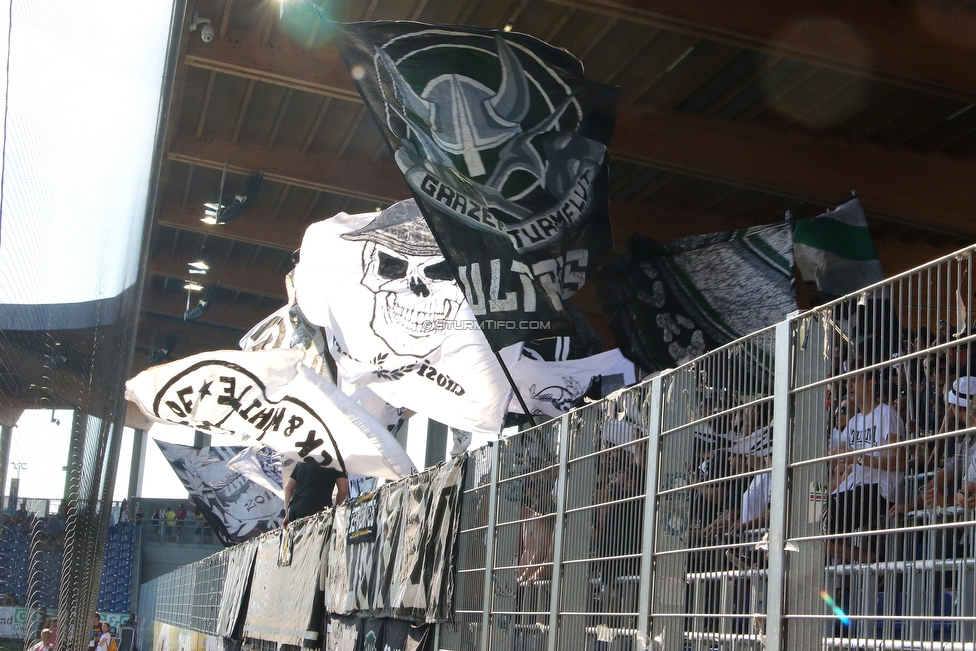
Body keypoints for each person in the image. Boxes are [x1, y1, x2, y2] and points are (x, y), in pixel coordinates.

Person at [282, 461, 348, 527]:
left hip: (294, 510)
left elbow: (288, 487)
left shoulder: (302, 461)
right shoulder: (335, 462)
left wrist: (287, 514)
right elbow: (343, 490)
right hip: (315, 510)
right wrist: (335, 508)